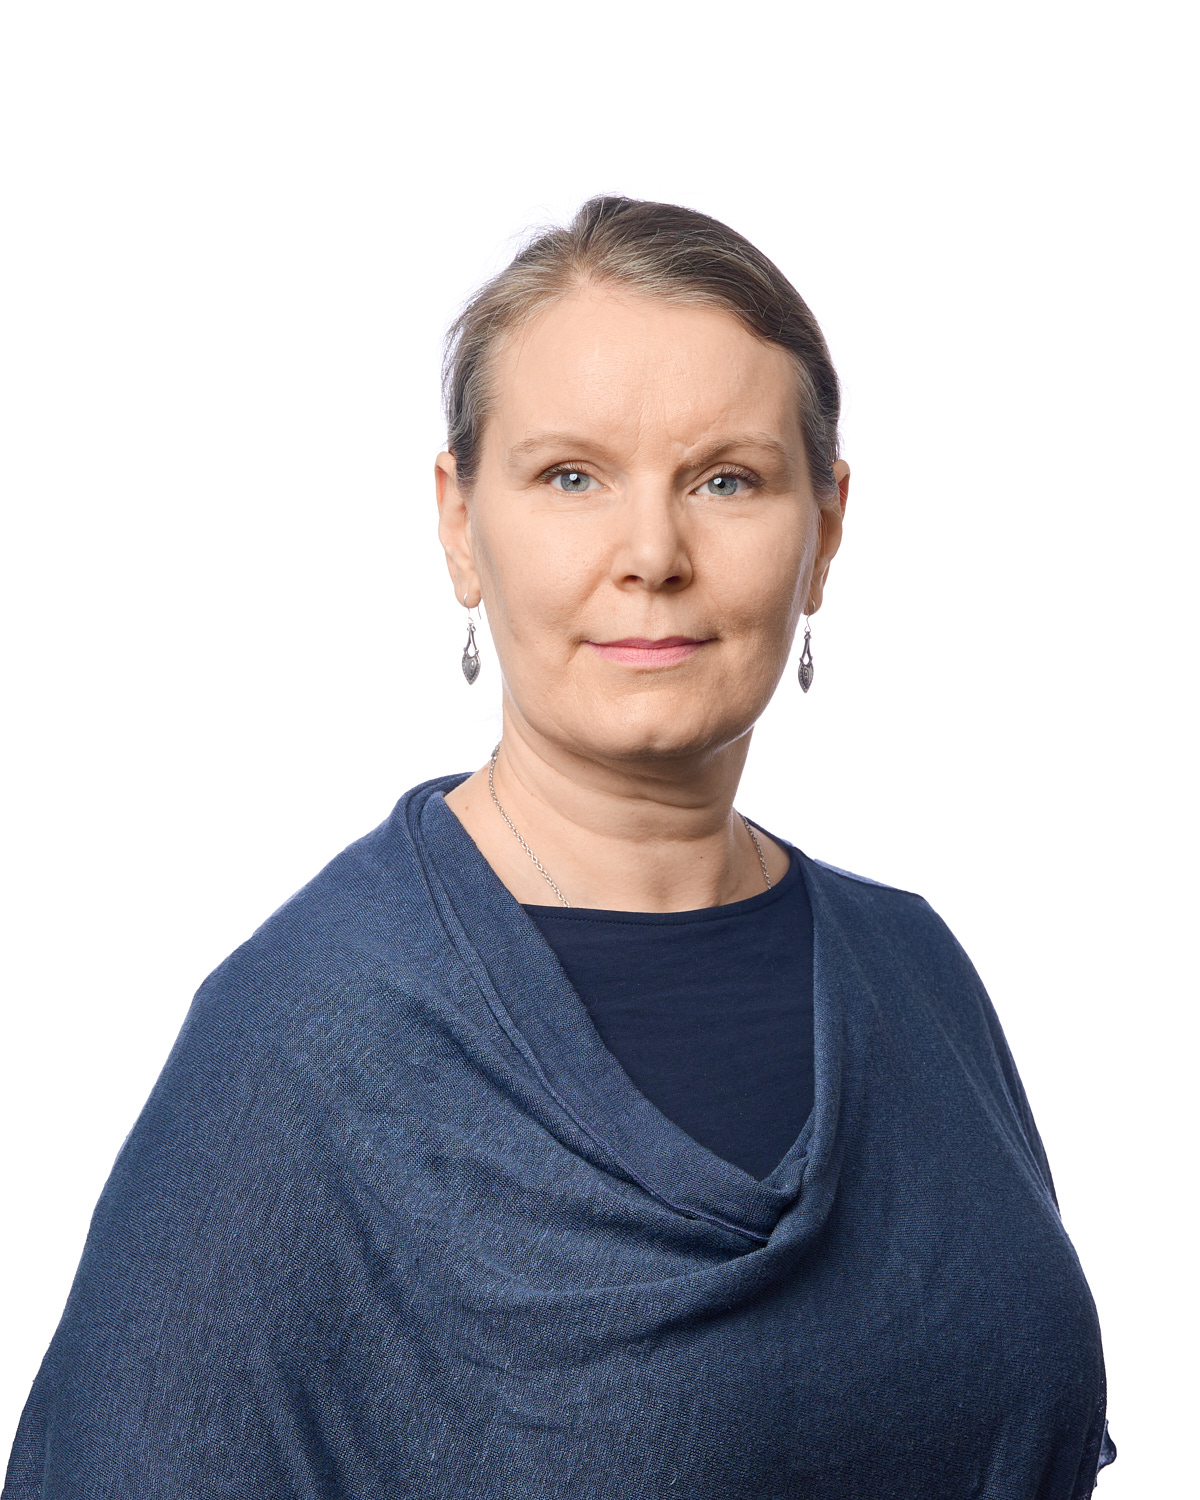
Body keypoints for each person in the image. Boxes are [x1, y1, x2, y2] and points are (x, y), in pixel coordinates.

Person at [3, 196, 1115, 1499]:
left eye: (728, 479)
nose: (652, 554)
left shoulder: (915, 972)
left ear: (826, 528)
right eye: (571, 477)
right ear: (459, 521)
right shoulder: (309, 1037)